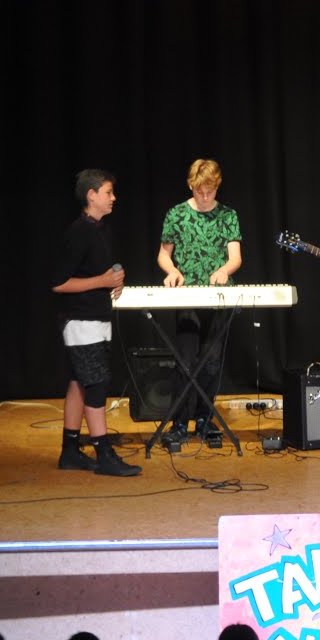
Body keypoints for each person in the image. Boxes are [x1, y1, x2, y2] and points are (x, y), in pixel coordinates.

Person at [51, 168, 141, 477]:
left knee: (78, 382)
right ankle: (103, 454)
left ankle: (70, 451)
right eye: (108, 192)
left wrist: (115, 279)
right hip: (81, 321)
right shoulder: (79, 231)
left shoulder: (101, 229)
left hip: (97, 318)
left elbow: (98, 271)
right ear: (91, 196)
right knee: (96, 384)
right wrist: (101, 281)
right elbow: (58, 283)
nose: (113, 198)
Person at [156, 158, 243, 450]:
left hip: (218, 298)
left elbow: (235, 257)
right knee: (185, 361)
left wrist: (224, 270)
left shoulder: (227, 215)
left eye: (210, 191)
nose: (205, 197)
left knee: (212, 362)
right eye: (199, 191)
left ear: (217, 187)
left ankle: (205, 420)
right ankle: (180, 422)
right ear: (190, 186)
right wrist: (172, 271)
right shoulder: (177, 214)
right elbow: (164, 254)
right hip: (188, 297)